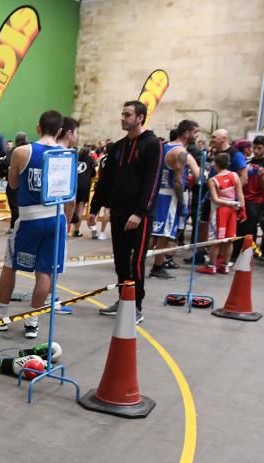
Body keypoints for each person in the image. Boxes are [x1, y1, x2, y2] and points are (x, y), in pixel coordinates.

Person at [0, 110, 66, 339]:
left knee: (10, 265)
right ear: (59, 131)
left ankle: (2, 315)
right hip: (57, 218)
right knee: (45, 271)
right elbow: (70, 196)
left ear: (38, 127)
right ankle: (32, 322)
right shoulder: (66, 154)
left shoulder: (22, 151)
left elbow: (14, 184)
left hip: (30, 217)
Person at [88, 101, 162, 322]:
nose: (123, 118)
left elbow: (153, 181)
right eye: (122, 114)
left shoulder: (152, 144)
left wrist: (140, 212)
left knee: (135, 261)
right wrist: (94, 208)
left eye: (127, 114)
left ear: (140, 117)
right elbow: (106, 181)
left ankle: (136, 306)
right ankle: (123, 299)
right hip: (118, 213)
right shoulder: (118, 147)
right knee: (120, 260)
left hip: (138, 216)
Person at [149, 120, 200, 279]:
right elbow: (178, 181)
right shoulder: (180, 152)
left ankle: (155, 265)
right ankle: (149, 265)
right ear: (187, 133)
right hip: (169, 196)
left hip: (159, 193)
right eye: (195, 132)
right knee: (163, 235)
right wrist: (183, 204)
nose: (197, 136)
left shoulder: (165, 146)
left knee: (156, 233)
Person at [199, 152, 245, 274]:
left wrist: (229, 203)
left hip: (219, 211)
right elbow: (240, 193)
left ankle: (211, 265)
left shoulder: (213, 180)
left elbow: (215, 199)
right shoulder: (234, 175)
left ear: (215, 165)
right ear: (228, 163)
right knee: (229, 239)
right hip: (232, 211)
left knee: (216, 240)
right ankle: (225, 265)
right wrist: (241, 207)